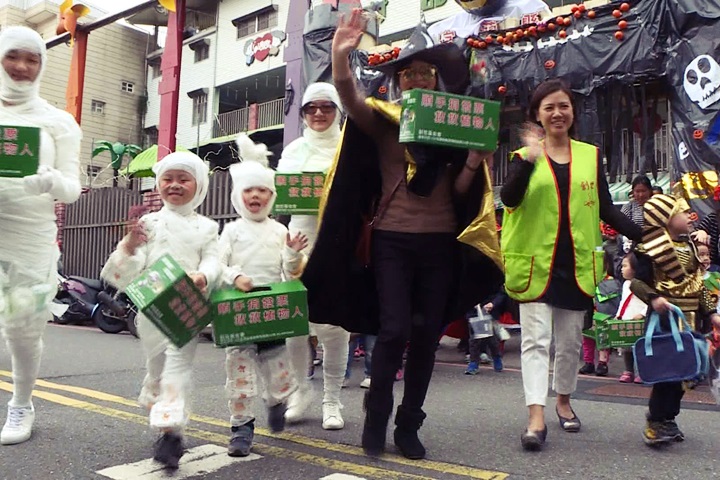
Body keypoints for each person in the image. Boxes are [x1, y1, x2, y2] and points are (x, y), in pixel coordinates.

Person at [303, 9, 503, 460]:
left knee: (428, 334)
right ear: (398, 81)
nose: (417, 79)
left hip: (441, 243)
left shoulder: (455, 124)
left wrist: (474, 160)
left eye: (425, 73)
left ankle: (409, 423)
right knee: (394, 330)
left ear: (435, 80)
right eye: (409, 73)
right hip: (391, 240)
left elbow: (461, 192)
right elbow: (350, 98)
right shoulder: (383, 121)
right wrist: (340, 56)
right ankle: (376, 417)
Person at [500, 78, 642, 451]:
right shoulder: (523, 157)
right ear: (537, 116)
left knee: (569, 344)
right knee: (535, 342)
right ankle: (536, 415)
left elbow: (608, 207)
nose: (557, 113)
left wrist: (645, 234)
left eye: (563, 105)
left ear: (572, 112)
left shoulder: (590, 156)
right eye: (548, 107)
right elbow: (509, 198)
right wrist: (529, 158)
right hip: (535, 263)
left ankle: (563, 400)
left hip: (577, 264)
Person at [101, 152, 219, 469]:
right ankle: (167, 418)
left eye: (184, 179)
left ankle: (171, 435)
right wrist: (129, 247)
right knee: (157, 369)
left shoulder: (206, 227)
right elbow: (127, 269)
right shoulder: (149, 223)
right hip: (151, 312)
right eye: (168, 179)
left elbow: (213, 259)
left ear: (199, 185)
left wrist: (204, 275)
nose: (175, 185)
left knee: (177, 368)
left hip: (187, 307)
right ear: (158, 184)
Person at [0, 26, 82, 446]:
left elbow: (73, 186)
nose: (22, 66)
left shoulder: (57, 122)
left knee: (23, 327)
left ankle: (21, 403)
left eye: (32, 59)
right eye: (13, 56)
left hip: (31, 238)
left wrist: (49, 182)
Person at [218, 134, 307, 457]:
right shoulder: (231, 230)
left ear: (271, 196)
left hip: (271, 311)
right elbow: (218, 263)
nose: (255, 195)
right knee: (239, 374)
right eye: (249, 190)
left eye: (263, 190)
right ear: (238, 195)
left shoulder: (280, 230)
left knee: (279, 372)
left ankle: (276, 401)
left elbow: (289, 271)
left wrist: (294, 254)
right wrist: (235, 276)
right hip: (239, 313)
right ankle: (241, 428)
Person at [277, 83, 351, 431]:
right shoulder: (293, 150)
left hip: (339, 245)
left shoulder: (350, 147)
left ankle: (332, 399)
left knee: (335, 329)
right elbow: (281, 196)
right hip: (299, 245)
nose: (319, 113)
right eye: (311, 108)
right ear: (303, 113)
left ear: (338, 110)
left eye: (326, 107)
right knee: (294, 327)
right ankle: (299, 392)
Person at [629, 194, 719, 445]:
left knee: (683, 373)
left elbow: (697, 285)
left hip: (689, 320)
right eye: (682, 212)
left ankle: (669, 419)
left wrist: (712, 314)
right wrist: (654, 298)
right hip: (665, 321)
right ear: (665, 219)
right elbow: (637, 282)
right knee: (667, 374)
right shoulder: (649, 249)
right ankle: (656, 421)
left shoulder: (689, 245)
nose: (690, 217)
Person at [615, 253, 648, 384]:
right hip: (627, 318)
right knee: (626, 346)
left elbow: (649, 301)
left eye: (625, 266)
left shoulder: (643, 284)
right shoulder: (625, 284)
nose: (621, 269)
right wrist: (619, 315)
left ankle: (642, 371)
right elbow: (623, 301)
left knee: (639, 346)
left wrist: (643, 314)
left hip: (639, 319)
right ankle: (628, 370)